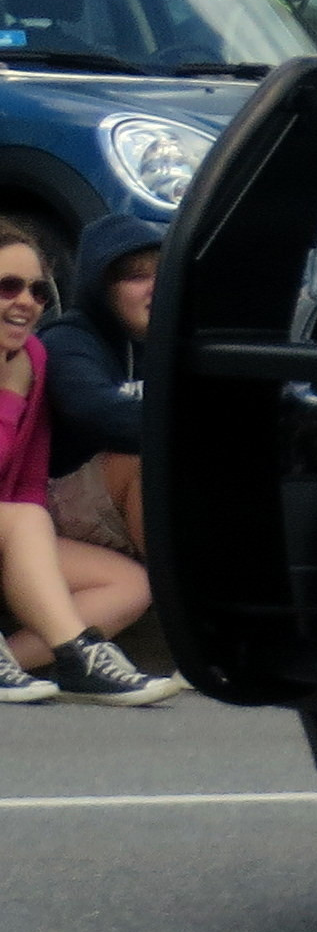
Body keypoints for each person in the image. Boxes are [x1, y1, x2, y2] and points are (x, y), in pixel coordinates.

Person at [0, 221, 182, 705]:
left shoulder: (32, 358)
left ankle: (19, 662)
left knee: (129, 585)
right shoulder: (64, 343)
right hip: (17, 517)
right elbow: (96, 413)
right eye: (8, 286)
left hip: (13, 523)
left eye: (38, 290)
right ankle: (84, 650)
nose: (26, 301)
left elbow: (29, 479)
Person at [40, 214, 159, 567]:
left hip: (110, 492)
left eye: (163, 274)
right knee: (146, 460)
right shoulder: (67, 340)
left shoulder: (168, 340)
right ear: (101, 287)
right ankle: (176, 596)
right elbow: (95, 412)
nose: (155, 286)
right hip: (52, 498)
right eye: (137, 277)